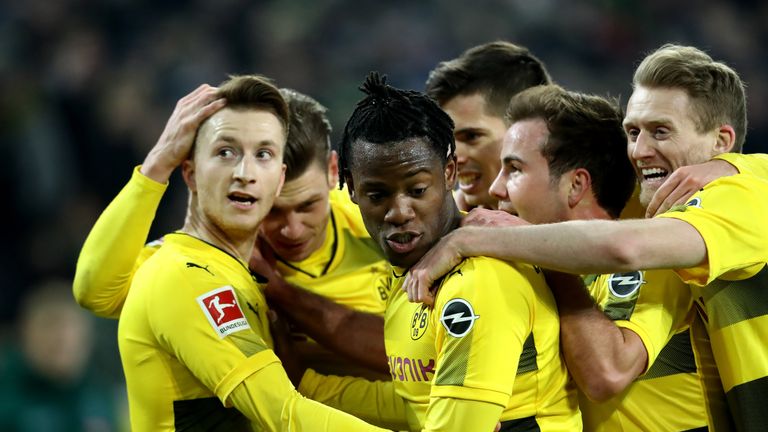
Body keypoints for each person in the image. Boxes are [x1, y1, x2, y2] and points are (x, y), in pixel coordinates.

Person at [405, 44, 768, 431]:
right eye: (632, 132)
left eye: (660, 131)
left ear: (721, 141)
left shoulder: (737, 195)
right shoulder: (649, 208)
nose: (639, 151)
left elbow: (621, 254)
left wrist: (484, 240)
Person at [266, 73, 581, 431]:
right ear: (351, 188)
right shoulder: (416, 273)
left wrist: (284, 408)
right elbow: (416, 403)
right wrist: (306, 386)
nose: (398, 211)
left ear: (449, 173)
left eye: (417, 190)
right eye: (377, 195)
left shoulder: (479, 281)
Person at [107, 75, 385, 431]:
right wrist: (154, 169)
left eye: (263, 155)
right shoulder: (184, 275)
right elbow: (284, 411)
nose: (245, 173)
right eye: (226, 153)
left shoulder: (246, 276)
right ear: (190, 173)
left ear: (279, 178)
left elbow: (306, 393)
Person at [475, 84, 732, 430]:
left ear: (575, 186)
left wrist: (547, 257)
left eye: (515, 169)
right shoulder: (528, 277)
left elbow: (607, 374)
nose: (496, 188)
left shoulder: (653, 260)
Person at [425, 41, 551, 211]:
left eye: (471, 137)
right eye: (443, 140)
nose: (451, 158)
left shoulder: (587, 221)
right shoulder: (429, 227)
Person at [0, 279, 119, 432]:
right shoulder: (7, 395)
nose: (62, 338)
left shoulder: (101, 394)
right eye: (50, 324)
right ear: (25, 333)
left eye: (71, 326)